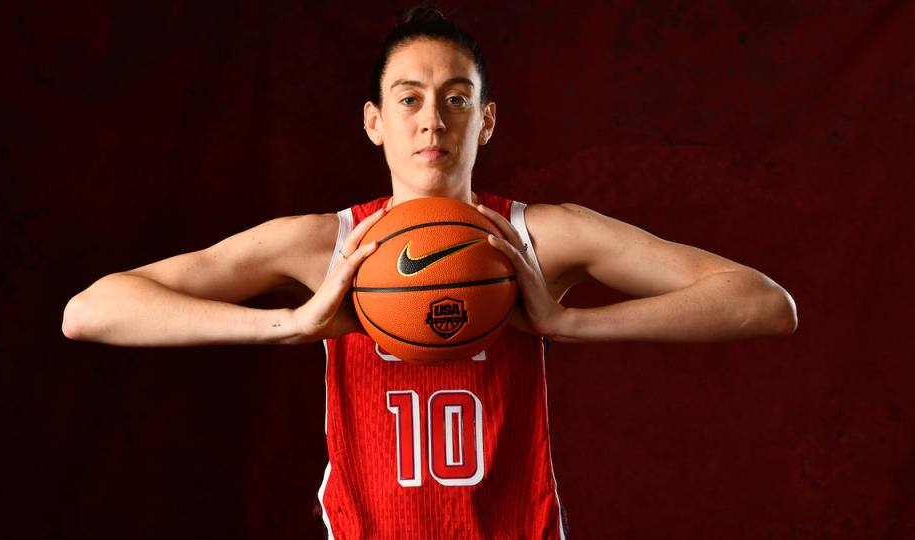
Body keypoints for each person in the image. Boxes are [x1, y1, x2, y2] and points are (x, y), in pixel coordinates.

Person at [62, 7, 797, 539]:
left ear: (487, 120)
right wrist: (293, 322)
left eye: (457, 99)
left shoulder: (539, 235)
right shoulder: (330, 244)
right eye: (408, 98)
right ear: (375, 122)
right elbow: (91, 311)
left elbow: (764, 303)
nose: (432, 121)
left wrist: (569, 322)